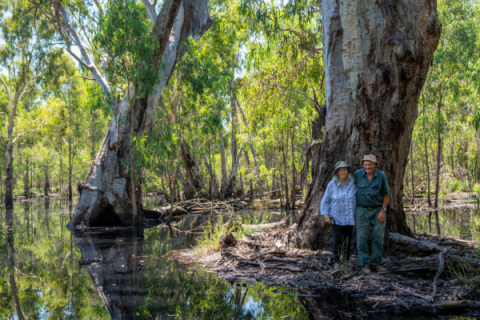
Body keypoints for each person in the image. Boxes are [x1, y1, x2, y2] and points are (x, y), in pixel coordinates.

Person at [354, 154, 390, 274]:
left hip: (377, 211)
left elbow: (386, 194)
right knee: (361, 238)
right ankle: (364, 265)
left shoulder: (381, 176)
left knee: (378, 237)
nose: (367, 167)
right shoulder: (358, 174)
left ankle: (376, 264)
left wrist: (383, 211)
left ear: (375, 165)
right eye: (365, 164)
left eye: (370, 164)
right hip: (361, 211)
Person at [320, 161, 357, 271]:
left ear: (348, 171)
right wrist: (325, 214)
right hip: (335, 218)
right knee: (337, 239)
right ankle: (336, 262)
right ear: (337, 172)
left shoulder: (353, 183)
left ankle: (345, 262)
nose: (343, 172)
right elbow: (325, 200)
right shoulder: (331, 184)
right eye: (341, 170)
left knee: (347, 240)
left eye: (345, 169)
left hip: (349, 218)